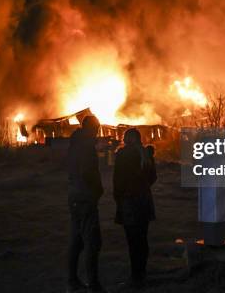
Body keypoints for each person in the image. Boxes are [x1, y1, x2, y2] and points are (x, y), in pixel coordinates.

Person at [66, 115, 106, 293]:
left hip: (74, 196)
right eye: (96, 128)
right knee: (92, 242)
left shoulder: (74, 144)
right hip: (85, 197)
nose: (97, 132)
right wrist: (98, 189)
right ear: (92, 128)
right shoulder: (86, 146)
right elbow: (87, 172)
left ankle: (72, 281)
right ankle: (94, 285)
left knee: (76, 240)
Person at [113, 129, 157, 288]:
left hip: (129, 202)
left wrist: (119, 198)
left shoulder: (122, 155)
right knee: (142, 238)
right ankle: (142, 272)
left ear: (125, 139)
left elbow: (117, 181)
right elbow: (153, 177)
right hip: (144, 201)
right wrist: (143, 187)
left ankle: (136, 275)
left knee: (132, 240)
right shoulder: (146, 154)